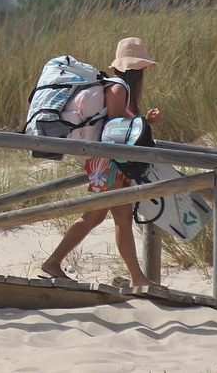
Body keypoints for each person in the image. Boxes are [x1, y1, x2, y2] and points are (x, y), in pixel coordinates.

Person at [41, 37, 163, 287]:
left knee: (102, 218)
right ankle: (136, 278)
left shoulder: (115, 87)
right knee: (112, 218)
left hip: (106, 162)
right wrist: (143, 123)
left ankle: (54, 263)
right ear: (136, 70)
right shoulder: (118, 88)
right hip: (109, 163)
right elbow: (116, 129)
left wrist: (144, 122)